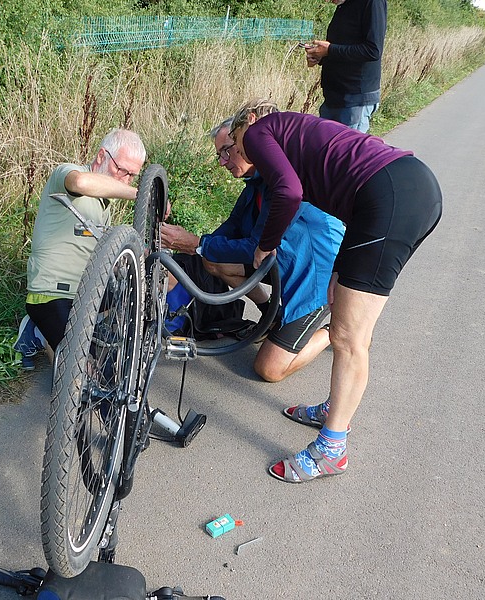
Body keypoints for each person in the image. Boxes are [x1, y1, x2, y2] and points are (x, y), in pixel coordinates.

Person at [229, 99, 442, 482]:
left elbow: (289, 193)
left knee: (348, 338)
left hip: (390, 199)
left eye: (235, 143)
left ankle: (332, 450)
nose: (239, 152)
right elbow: (349, 198)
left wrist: (266, 244)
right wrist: (339, 268)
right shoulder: (293, 135)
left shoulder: (260, 130)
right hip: (405, 190)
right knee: (352, 325)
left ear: (248, 121)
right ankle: (335, 408)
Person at [160, 113, 344, 383]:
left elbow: (254, 247)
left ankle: (335, 329)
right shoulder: (256, 183)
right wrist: (196, 247)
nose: (223, 162)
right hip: (283, 264)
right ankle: (272, 315)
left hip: (314, 279)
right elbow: (232, 228)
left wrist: (197, 243)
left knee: (269, 369)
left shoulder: (282, 182)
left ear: (245, 143)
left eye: (226, 151)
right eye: (219, 155)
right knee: (213, 260)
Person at [15, 129, 146, 364]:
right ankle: (38, 330)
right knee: (87, 375)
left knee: (134, 290)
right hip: (52, 294)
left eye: (132, 176)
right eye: (121, 170)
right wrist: (141, 194)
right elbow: (81, 181)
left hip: (85, 293)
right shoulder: (66, 174)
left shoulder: (104, 204)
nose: (124, 179)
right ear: (101, 156)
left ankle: (52, 332)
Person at [304, 0, 387, 133]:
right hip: (334, 97)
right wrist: (320, 56)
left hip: (355, 98)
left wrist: (330, 50)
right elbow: (343, 47)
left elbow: (373, 51)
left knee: (349, 152)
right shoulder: (344, 5)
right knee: (328, 151)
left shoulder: (372, 3)